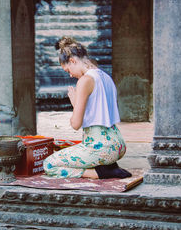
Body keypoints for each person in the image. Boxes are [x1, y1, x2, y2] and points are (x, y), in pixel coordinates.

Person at [43, 37, 131, 179]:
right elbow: (95, 111)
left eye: (68, 70)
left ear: (72, 61)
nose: (70, 75)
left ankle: (98, 173)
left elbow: (75, 124)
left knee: (49, 164)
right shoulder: (105, 76)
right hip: (118, 144)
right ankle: (108, 166)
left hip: (100, 147)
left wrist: (74, 101)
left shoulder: (85, 81)